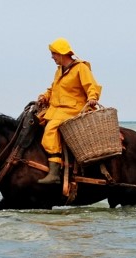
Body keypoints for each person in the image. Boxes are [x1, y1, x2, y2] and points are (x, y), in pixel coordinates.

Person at [34, 37, 102, 184]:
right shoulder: (59, 70)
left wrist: (92, 97)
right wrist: (45, 97)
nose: (52, 57)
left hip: (73, 109)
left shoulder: (80, 68)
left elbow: (91, 85)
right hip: (56, 109)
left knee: (51, 129)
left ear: (62, 53)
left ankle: (54, 172)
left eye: (54, 54)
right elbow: (54, 89)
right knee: (33, 122)